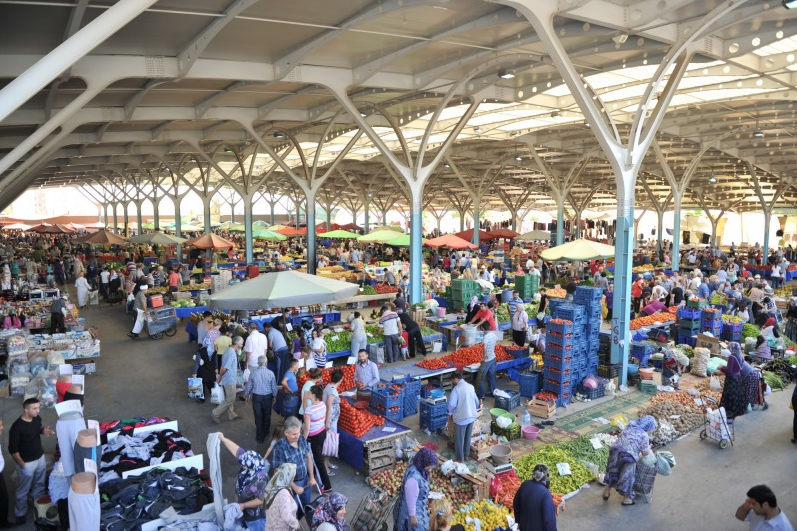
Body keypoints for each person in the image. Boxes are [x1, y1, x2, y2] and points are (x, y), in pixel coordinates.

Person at [9, 398, 53, 525]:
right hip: (26, 463)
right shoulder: (17, 427)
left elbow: (38, 428)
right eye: (34, 408)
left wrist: (44, 431)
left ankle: (38, 506)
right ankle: (20, 513)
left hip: (40, 458)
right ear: (25, 410)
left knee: (39, 485)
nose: (37, 411)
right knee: (23, 489)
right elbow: (13, 449)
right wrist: (22, 464)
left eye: (38, 408)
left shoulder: (36, 418)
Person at [218, 432, 270, 531]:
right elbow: (237, 450)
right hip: (243, 508)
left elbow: (261, 500)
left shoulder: (261, 478)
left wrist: (243, 505)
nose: (242, 466)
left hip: (254, 517)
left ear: (250, 464)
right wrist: (223, 439)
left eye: (244, 465)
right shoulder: (250, 461)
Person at [602, 415, 656, 506]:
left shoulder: (629, 427)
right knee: (628, 477)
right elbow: (645, 452)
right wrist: (648, 448)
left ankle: (606, 493)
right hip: (628, 456)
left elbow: (621, 438)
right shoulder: (644, 435)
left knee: (612, 472)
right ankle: (626, 499)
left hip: (615, 450)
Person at [271, 417, 317, 508]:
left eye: (299, 432)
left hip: (306, 480)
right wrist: (294, 487)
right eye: (294, 434)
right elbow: (279, 472)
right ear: (286, 433)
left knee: (306, 506)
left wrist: (311, 477)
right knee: (292, 509)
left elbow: (308, 457)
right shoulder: (279, 448)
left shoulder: (301, 439)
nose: (297, 436)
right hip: (291, 485)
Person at [393, 448, 438, 531]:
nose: (431, 469)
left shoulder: (419, 468)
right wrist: (412, 516)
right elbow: (410, 499)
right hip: (410, 512)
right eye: (430, 466)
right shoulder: (413, 479)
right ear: (424, 461)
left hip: (418, 508)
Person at [303, 385, 332, 492]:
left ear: (314, 395)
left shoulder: (308, 410)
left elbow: (307, 428)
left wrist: (302, 440)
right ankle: (312, 476)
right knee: (318, 458)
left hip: (313, 437)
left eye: (310, 392)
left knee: (316, 461)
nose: (308, 394)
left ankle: (326, 486)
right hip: (322, 433)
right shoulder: (323, 405)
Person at [244, 355, 278, 444]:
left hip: (256, 397)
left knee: (258, 416)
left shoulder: (253, 373)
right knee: (267, 414)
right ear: (266, 363)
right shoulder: (271, 373)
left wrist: (247, 395)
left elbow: (249, 386)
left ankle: (259, 436)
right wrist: (274, 396)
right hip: (267, 397)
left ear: (258, 363)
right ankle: (266, 431)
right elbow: (274, 387)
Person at [514, 464, 557, 531]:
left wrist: (518, 521)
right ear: (544, 477)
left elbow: (516, 503)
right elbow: (549, 520)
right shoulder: (545, 493)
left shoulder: (524, 484)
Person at [447, 371, 479, 463]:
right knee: (467, 437)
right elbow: (476, 401)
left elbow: (452, 404)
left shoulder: (457, 389)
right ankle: (466, 455)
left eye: (453, 380)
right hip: (471, 416)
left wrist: (450, 413)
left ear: (456, 379)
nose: (453, 383)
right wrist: (474, 409)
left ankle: (460, 457)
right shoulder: (471, 387)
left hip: (462, 418)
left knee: (459, 439)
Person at [211, 335, 243, 424]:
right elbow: (225, 368)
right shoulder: (232, 353)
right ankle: (215, 412)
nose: (242, 345)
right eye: (241, 343)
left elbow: (223, 365)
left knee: (229, 396)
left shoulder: (228, 351)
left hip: (227, 378)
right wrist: (220, 377)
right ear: (237, 344)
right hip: (229, 379)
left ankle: (231, 414)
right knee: (231, 399)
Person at [264, 463, 300, 531]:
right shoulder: (284, 495)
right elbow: (287, 516)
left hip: (271, 526)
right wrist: (297, 525)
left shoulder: (272, 486)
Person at [323, 369, 343, 475]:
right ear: (340, 380)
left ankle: (328, 463)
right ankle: (325, 467)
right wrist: (327, 421)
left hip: (332, 420)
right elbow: (328, 405)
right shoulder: (332, 390)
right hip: (330, 420)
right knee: (329, 444)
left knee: (330, 442)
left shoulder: (330, 387)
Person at [719, 354, 747, 420]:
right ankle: (734, 414)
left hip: (731, 380)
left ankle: (728, 416)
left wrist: (721, 368)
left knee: (729, 397)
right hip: (737, 378)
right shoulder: (740, 355)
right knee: (735, 396)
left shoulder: (732, 357)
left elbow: (729, 371)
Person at [476, 325, 497, 399]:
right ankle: (493, 392)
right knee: (492, 376)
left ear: (483, 329)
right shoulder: (493, 335)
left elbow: (484, 346)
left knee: (480, 377)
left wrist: (484, 355)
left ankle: (481, 395)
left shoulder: (486, 337)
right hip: (493, 358)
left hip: (487, 360)